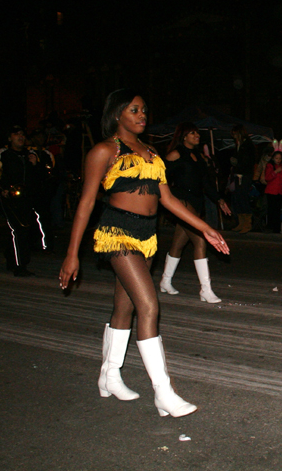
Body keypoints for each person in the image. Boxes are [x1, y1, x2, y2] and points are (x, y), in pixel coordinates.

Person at [59, 89, 229, 418]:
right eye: (134, 110)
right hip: (117, 231)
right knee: (149, 305)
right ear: (117, 114)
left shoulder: (152, 153)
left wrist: (205, 228)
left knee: (123, 307)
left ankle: (109, 376)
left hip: (147, 236)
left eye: (144, 110)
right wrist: (71, 253)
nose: (142, 116)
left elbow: (168, 200)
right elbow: (86, 203)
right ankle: (163, 392)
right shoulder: (104, 151)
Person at [159, 122, 231, 302]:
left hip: (196, 203)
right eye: (193, 133)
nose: (197, 136)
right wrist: (170, 197)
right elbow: (159, 177)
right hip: (182, 202)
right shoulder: (176, 154)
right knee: (200, 240)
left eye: (197, 133)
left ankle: (165, 281)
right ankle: (205, 290)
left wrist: (219, 199)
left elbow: (205, 182)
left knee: (178, 243)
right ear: (184, 136)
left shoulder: (198, 157)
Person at [0, 125, 48, 276]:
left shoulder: (30, 155)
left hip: (27, 198)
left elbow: (42, 177)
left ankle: (11, 258)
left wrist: (36, 165)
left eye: (22, 134)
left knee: (24, 230)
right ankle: (20, 265)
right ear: (9, 138)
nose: (20, 137)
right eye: (16, 134)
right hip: (9, 198)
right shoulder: (2, 154)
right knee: (19, 229)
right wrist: (1, 190)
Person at [229, 124, 256, 234]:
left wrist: (238, 163)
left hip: (245, 175)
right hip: (238, 174)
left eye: (235, 134)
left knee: (243, 197)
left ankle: (247, 223)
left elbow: (249, 161)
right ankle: (241, 222)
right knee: (237, 198)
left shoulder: (248, 145)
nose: (234, 137)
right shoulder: (239, 145)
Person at [263, 148, 282, 233]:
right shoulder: (270, 165)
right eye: (276, 158)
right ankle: (270, 226)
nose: (278, 160)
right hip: (271, 191)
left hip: (279, 191)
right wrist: (275, 172)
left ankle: (276, 228)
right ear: (273, 158)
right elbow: (267, 177)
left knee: (278, 210)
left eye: (280, 158)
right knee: (271, 210)